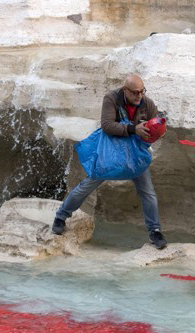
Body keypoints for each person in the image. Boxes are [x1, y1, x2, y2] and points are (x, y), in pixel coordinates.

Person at [52, 74, 167, 249]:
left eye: (142, 92)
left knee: (148, 192)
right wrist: (133, 129)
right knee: (87, 185)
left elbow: (154, 121)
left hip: (135, 155)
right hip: (111, 152)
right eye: (135, 92)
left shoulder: (147, 104)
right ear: (125, 90)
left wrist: (159, 128)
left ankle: (155, 231)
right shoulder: (112, 98)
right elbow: (107, 125)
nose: (139, 96)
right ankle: (61, 216)